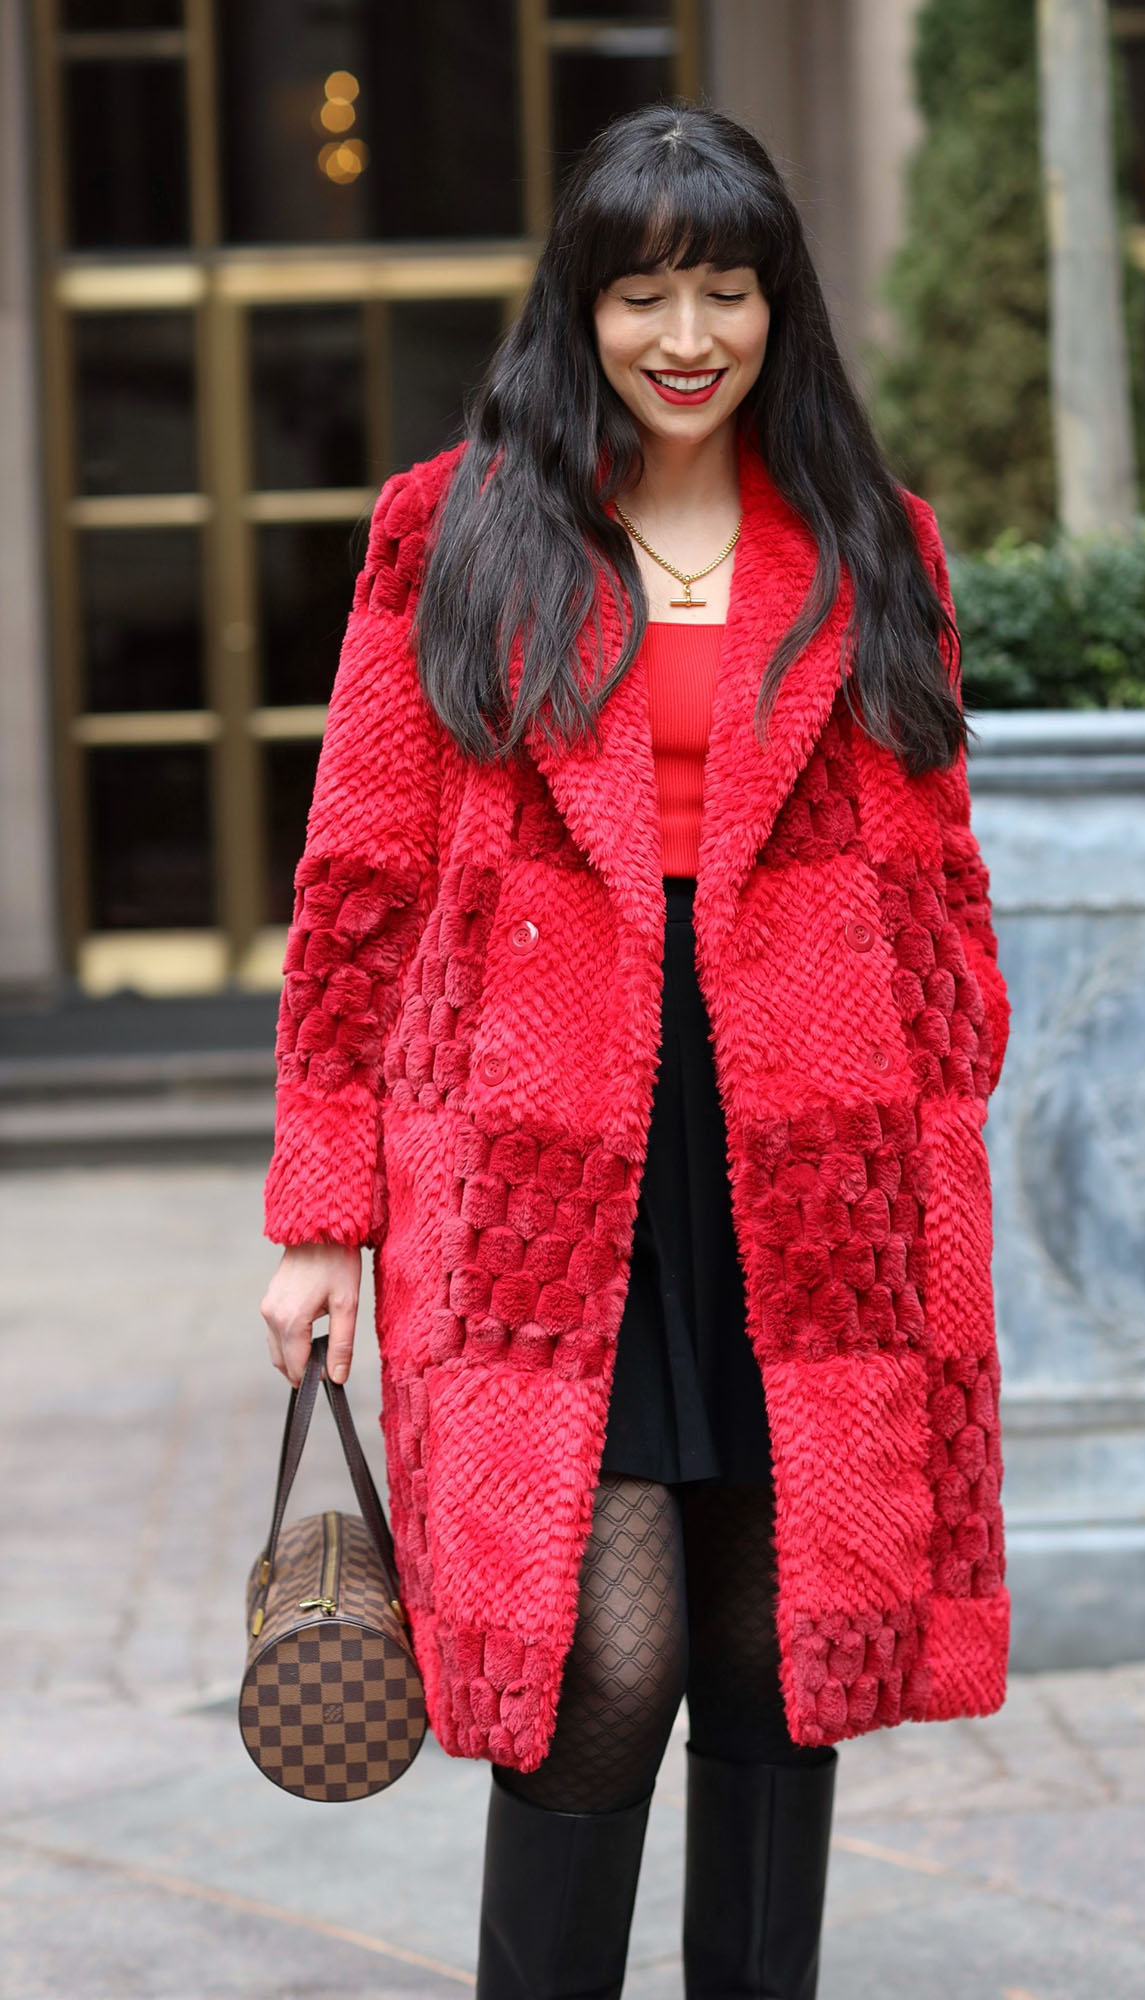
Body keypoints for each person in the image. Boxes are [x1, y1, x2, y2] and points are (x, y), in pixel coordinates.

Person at [259, 101, 1010, 2000]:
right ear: (579, 308)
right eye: (647, 291)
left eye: (729, 291)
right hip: (532, 1149)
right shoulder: (456, 527)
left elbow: (936, 878)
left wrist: (943, 1124)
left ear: (781, 309)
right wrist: (316, 1210)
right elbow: (358, 876)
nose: (689, 335)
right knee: (609, 1660)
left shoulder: (863, 536)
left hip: (808, 1141)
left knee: (782, 1645)